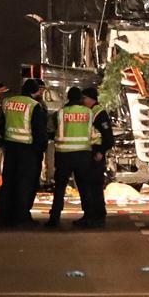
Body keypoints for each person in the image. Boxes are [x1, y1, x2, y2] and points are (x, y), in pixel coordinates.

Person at [0, 78, 48, 228]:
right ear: (34, 91)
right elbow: (39, 131)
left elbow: (2, 125)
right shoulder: (34, 106)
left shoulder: (7, 102)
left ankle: (3, 216)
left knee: (9, 182)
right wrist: (40, 150)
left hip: (10, 148)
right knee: (25, 184)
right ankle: (21, 217)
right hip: (28, 151)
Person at [46, 87, 97, 228]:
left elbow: (52, 130)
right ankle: (88, 217)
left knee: (60, 187)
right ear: (80, 98)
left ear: (68, 97)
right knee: (84, 187)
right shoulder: (89, 113)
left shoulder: (61, 113)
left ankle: (54, 217)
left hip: (64, 155)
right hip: (83, 154)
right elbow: (93, 132)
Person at [81, 87, 113, 228]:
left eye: (84, 98)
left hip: (96, 153)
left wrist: (101, 151)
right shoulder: (89, 111)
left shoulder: (99, 113)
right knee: (88, 185)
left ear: (90, 99)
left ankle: (98, 215)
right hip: (89, 152)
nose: (82, 101)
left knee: (95, 185)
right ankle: (90, 215)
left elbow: (108, 137)